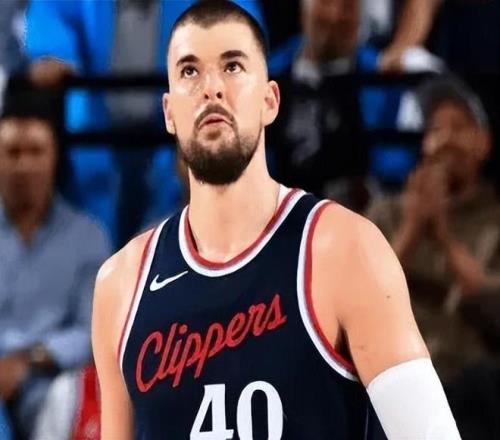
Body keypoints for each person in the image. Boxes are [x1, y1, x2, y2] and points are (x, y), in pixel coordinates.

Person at [92, 2, 460, 439]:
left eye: (232, 66)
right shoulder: (121, 285)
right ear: (169, 113)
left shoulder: (344, 249)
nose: (212, 88)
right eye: (190, 71)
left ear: (270, 101)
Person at [367, 76, 500, 437]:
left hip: (472, 388)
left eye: (459, 127)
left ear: (484, 143)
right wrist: (412, 229)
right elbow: (357, 297)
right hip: (393, 382)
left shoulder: (494, 218)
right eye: (436, 129)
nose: (446, 140)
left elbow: (486, 299)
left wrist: (442, 236)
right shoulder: (386, 214)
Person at [0, 85, 110, 439]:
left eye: (35, 151)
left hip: (53, 383)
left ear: (55, 156)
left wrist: (28, 361)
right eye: (12, 152)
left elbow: (93, 331)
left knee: (71, 395)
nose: (24, 165)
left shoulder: (88, 236)